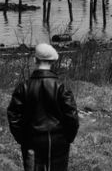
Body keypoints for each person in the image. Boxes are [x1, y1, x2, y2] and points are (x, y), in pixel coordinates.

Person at [7, 43, 79, 171]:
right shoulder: (61, 87)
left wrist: (22, 139)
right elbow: (71, 117)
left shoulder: (23, 87)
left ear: (35, 60)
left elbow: (14, 117)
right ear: (52, 62)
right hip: (58, 141)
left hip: (31, 141)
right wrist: (68, 138)